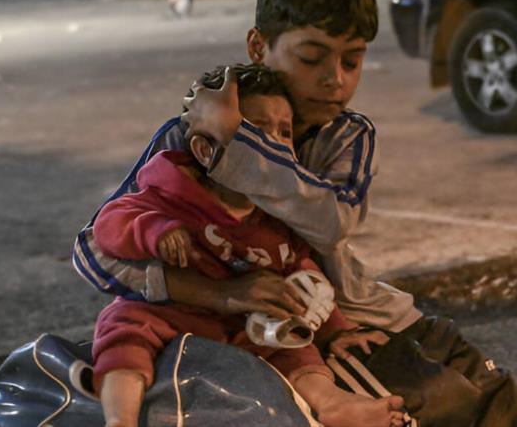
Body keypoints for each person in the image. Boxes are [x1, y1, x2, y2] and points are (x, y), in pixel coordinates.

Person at [73, 0, 517, 427]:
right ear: (258, 47)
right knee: (445, 401)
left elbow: (331, 221)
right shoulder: (191, 139)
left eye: (351, 62)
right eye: (312, 58)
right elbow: (95, 250)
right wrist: (222, 292)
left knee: (487, 383)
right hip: (293, 334)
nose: (334, 80)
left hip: (363, 309)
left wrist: (236, 140)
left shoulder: (345, 135)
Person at [91, 64, 406, 427]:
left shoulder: (275, 216)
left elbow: (302, 270)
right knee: (124, 330)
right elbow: (110, 224)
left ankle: (332, 403)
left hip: (246, 325)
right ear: (204, 149)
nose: (271, 144)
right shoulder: (173, 189)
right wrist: (157, 231)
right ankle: (120, 418)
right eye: (254, 131)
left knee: (296, 348)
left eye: (284, 132)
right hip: (171, 313)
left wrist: (336, 329)